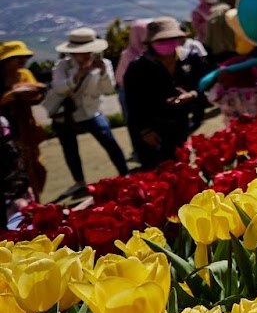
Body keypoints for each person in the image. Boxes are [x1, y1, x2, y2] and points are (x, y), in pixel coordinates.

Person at [42, 27, 128, 197]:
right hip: (66, 115)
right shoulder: (62, 66)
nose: (85, 55)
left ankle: (125, 174)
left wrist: (103, 73)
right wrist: (77, 76)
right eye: (81, 52)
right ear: (72, 53)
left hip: (91, 112)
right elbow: (58, 88)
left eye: (88, 51)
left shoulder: (104, 64)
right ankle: (79, 182)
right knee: (70, 149)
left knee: (109, 141)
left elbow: (109, 89)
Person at [123, 17, 204, 167]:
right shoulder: (138, 67)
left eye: (171, 39)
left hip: (180, 122)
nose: (167, 44)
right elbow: (133, 104)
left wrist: (192, 95)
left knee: (181, 165)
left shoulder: (190, 59)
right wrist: (145, 131)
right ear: (150, 43)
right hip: (152, 129)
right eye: (161, 41)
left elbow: (202, 84)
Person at [0, 40, 47, 196]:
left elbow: (36, 96)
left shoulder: (25, 74)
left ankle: (35, 199)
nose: (23, 60)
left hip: (25, 127)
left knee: (32, 164)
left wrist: (32, 92)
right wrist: (12, 95)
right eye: (17, 57)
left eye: (24, 57)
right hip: (5, 129)